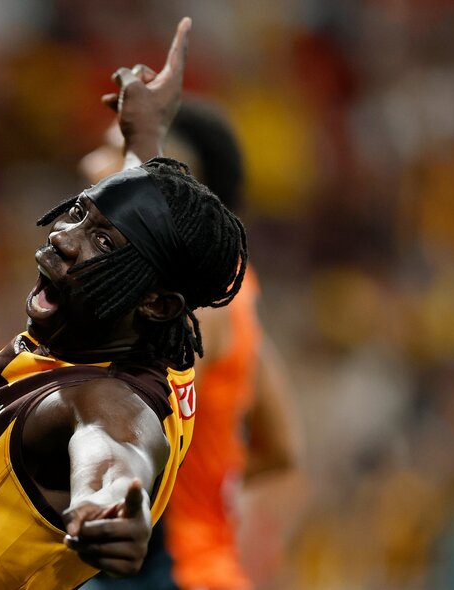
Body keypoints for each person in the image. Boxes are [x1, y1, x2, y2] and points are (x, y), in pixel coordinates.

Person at [0, 18, 251, 590]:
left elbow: (114, 448)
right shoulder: (158, 340)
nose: (63, 236)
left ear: (158, 303)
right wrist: (145, 137)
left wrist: (111, 505)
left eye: (101, 241)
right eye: (79, 212)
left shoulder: (100, 399)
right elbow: (142, 226)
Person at [80, 99, 301, 590]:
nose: (91, 166)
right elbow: (281, 446)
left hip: (168, 574)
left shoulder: (194, 307)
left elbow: (134, 423)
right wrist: (206, 490)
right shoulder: (230, 293)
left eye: (116, 153)